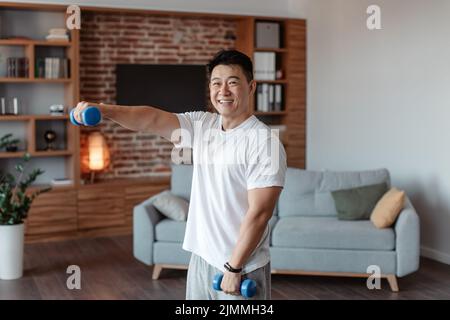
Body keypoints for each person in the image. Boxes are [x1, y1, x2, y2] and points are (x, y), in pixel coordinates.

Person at [73, 49, 287, 300]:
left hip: (240, 270)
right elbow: (151, 119)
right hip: (202, 260)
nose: (223, 91)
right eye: (216, 83)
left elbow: (259, 214)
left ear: (251, 87)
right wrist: (102, 109)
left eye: (233, 82)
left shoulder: (264, 142)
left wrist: (234, 267)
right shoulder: (202, 125)